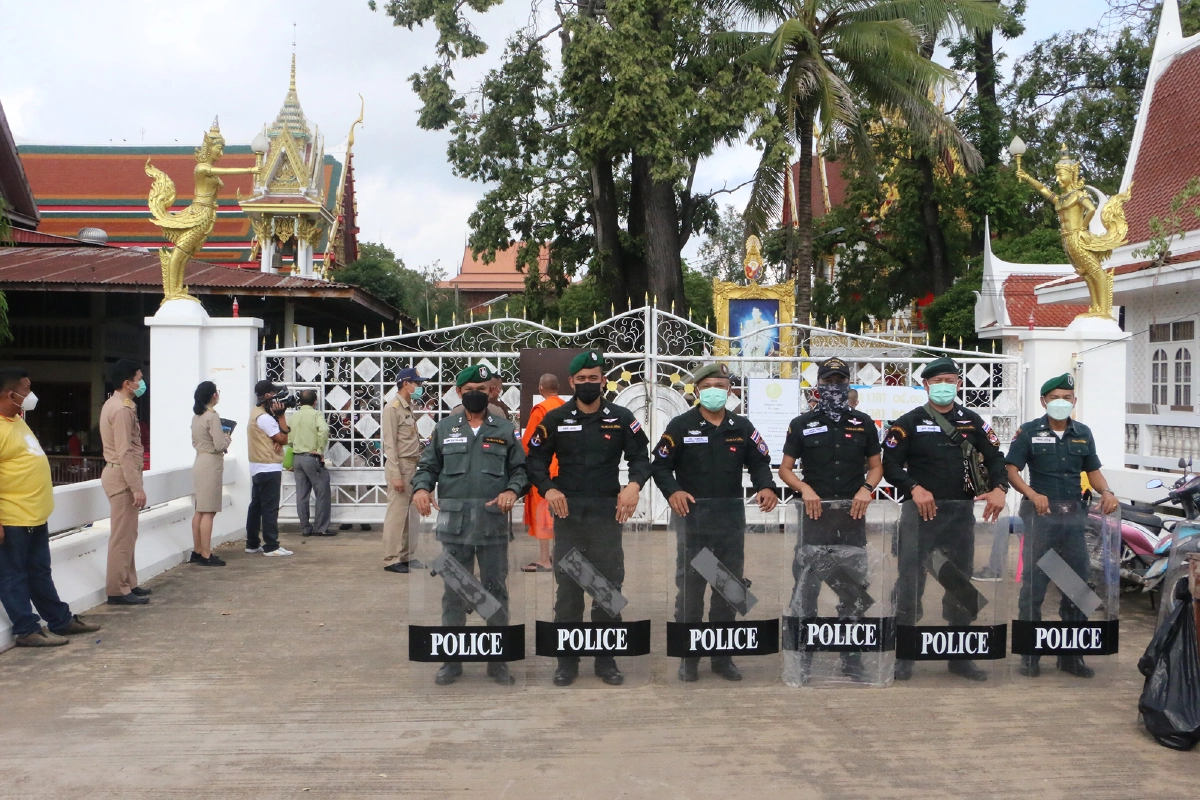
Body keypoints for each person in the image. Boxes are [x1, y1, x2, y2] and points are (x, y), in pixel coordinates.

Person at [526, 351, 652, 686]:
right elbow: (534, 459)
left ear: (603, 380)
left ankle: (606, 659)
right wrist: (548, 489)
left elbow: (642, 456)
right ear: (571, 382)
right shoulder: (555, 419)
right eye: (580, 380)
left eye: (593, 378)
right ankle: (566, 661)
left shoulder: (621, 417)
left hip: (607, 515)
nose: (587, 384)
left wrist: (634, 486)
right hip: (568, 516)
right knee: (568, 589)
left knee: (607, 588)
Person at [882, 357, 1009, 682]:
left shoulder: (973, 421)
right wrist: (914, 487)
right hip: (919, 516)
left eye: (950, 380)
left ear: (959, 384)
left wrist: (1000, 489)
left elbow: (996, 457)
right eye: (937, 381)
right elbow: (890, 464)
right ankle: (905, 653)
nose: (944, 386)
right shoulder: (907, 423)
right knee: (910, 584)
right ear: (925, 386)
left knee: (960, 583)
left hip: (958, 517)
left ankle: (960, 656)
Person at [651, 363, 779, 682]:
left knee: (729, 588)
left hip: (730, 524)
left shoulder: (741, 426)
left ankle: (723, 657)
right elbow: (661, 466)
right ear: (696, 390)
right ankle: (689, 657)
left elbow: (760, 461)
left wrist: (766, 486)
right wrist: (673, 491)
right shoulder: (681, 425)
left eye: (721, 386)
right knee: (691, 592)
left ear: (730, 390)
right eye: (708, 385)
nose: (715, 391)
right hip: (693, 524)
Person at [412, 364, 529, 686]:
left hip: (492, 524)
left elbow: (521, 470)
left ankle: (498, 660)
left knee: (495, 589)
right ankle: (452, 661)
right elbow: (427, 466)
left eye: (482, 388)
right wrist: (421, 488)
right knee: (454, 592)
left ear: (491, 391)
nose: (476, 394)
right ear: (459, 391)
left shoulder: (505, 429)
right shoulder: (444, 428)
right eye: (469, 389)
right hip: (455, 525)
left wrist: (511, 490)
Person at [1005, 373, 1119, 679]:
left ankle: (1071, 656)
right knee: (1034, 587)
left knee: (1078, 586)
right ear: (1044, 401)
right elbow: (1011, 470)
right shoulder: (1028, 432)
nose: (1061, 402)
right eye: (1055, 397)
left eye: (1067, 398)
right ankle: (1030, 654)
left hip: (1073, 520)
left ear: (1074, 402)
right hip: (1041, 520)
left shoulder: (1083, 433)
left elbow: (1093, 470)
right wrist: (1031, 494)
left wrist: (1106, 491)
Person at [778, 358, 883, 682]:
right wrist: (805, 489)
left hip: (852, 520)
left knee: (853, 592)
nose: (834, 386)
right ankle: (804, 661)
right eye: (828, 381)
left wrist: (867, 489)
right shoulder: (802, 423)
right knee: (807, 591)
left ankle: (852, 661)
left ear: (847, 385)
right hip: (815, 520)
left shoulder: (863, 423)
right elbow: (785, 469)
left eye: (840, 381)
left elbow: (877, 467)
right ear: (819, 385)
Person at [0, 367, 101, 646]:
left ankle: (60, 620)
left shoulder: (17, 421)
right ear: (11, 394)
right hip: (12, 517)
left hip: (35, 514)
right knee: (13, 575)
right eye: (26, 389)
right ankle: (26, 629)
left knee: (39, 571)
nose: (31, 395)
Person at [100, 359, 151, 605]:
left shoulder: (120, 404)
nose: (141, 383)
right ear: (127, 383)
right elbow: (125, 452)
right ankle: (117, 589)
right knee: (122, 535)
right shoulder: (121, 409)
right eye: (139, 379)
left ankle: (128, 582)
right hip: (121, 476)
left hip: (122, 474)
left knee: (129, 533)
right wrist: (136, 487)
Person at [381, 368, 427, 573]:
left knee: (412, 515)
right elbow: (389, 445)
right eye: (417, 383)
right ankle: (391, 558)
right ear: (406, 383)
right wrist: (395, 475)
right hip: (400, 465)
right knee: (397, 515)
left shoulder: (408, 408)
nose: (419, 387)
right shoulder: (393, 408)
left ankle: (407, 555)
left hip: (412, 465)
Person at [521, 373, 565, 572]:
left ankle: (544, 559)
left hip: (545, 470)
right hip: (564, 468)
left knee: (543, 513)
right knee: (562, 512)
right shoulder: (566, 408)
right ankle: (562, 556)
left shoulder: (541, 410)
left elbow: (529, 442)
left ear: (540, 388)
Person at [246, 380, 293, 557]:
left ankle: (252, 543)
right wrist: (281, 416)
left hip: (257, 466)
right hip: (269, 466)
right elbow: (283, 439)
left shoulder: (256, 413)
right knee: (270, 508)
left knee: (256, 506)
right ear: (267, 396)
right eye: (274, 393)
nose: (277, 397)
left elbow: (274, 437)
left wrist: (276, 437)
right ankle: (271, 545)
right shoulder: (265, 418)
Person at [190, 381, 230, 566]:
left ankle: (197, 550)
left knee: (200, 509)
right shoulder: (212, 416)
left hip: (200, 459)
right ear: (213, 395)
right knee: (208, 511)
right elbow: (219, 444)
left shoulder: (196, 416)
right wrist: (227, 439)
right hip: (211, 461)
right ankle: (206, 553)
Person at [289, 389, 335, 539]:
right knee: (322, 491)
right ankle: (320, 527)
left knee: (302, 494)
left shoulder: (294, 417)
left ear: (300, 402)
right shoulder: (316, 415)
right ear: (315, 402)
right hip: (311, 457)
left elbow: (288, 439)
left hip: (297, 458)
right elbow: (324, 430)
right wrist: (320, 449)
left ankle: (305, 528)